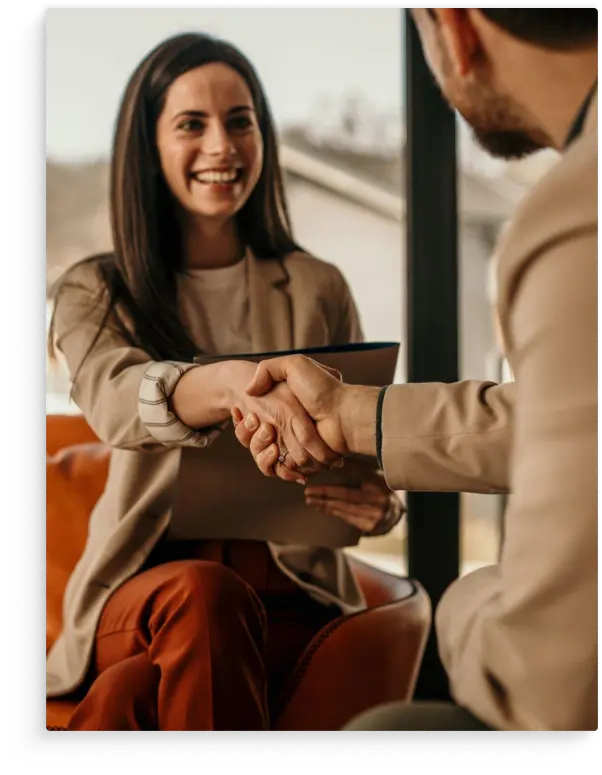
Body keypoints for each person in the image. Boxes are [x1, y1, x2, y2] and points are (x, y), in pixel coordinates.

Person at [234, 7, 598, 732]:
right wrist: (352, 415)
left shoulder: (571, 217)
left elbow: (544, 697)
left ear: (455, 28)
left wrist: (464, 602)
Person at [45, 32, 403, 732]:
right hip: (143, 591)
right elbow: (118, 400)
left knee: (124, 701)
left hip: (288, 589)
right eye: (191, 125)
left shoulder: (317, 285)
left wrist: (381, 507)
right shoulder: (94, 289)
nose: (222, 146)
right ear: (148, 146)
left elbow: (365, 459)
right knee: (202, 596)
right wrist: (231, 385)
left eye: (241, 122)